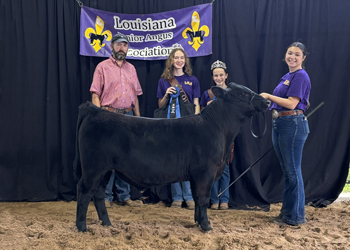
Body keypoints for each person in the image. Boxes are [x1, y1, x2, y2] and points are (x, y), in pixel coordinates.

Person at [260, 42, 311, 226]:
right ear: (285, 55)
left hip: (292, 124)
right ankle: (287, 214)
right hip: (281, 123)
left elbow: (291, 103)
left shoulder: (300, 76)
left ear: (303, 58)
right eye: (290, 53)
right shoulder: (288, 76)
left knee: (292, 172)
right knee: (289, 172)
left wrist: (267, 96)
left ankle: (295, 217)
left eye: (297, 54)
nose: (293, 57)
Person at [90, 33, 143, 208]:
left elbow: (135, 96)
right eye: (119, 45)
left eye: (125, 45)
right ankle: (105, 196)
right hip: (108, 115)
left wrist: (138, 120)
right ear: (112, 46)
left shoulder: (132, 69)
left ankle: (124, 195)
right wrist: (98, 117)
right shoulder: (102, 67)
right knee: (107, 157)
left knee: (126, 157)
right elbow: (95, 93)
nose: (122, 48)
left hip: (127, 116)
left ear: (128, 48)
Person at [156, 48, 201, 209]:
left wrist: (196, 121)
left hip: (188, 125)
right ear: (171, 60)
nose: (179, 60)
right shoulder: (164, 80)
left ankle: (189, 197)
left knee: (188, 161)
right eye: (176, 58)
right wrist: (167, 94)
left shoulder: (192, 80)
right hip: (171, 126)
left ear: (186, 61)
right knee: (173, 160)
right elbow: (160, 105)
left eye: (182, 57)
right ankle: (176, 197)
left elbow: (196, 103)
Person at [200, 60, 230, 210]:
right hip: (211, 134)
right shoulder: (208, 93)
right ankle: (214, 200)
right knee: (211, 167)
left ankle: (224, 198)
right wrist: (208, 107)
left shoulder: (231, 93)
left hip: (225, 134)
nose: (218, 78)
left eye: (221, 75)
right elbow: (202, 114)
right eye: (216, 75)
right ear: (213, 77)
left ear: (226, 76)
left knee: (224, 167)